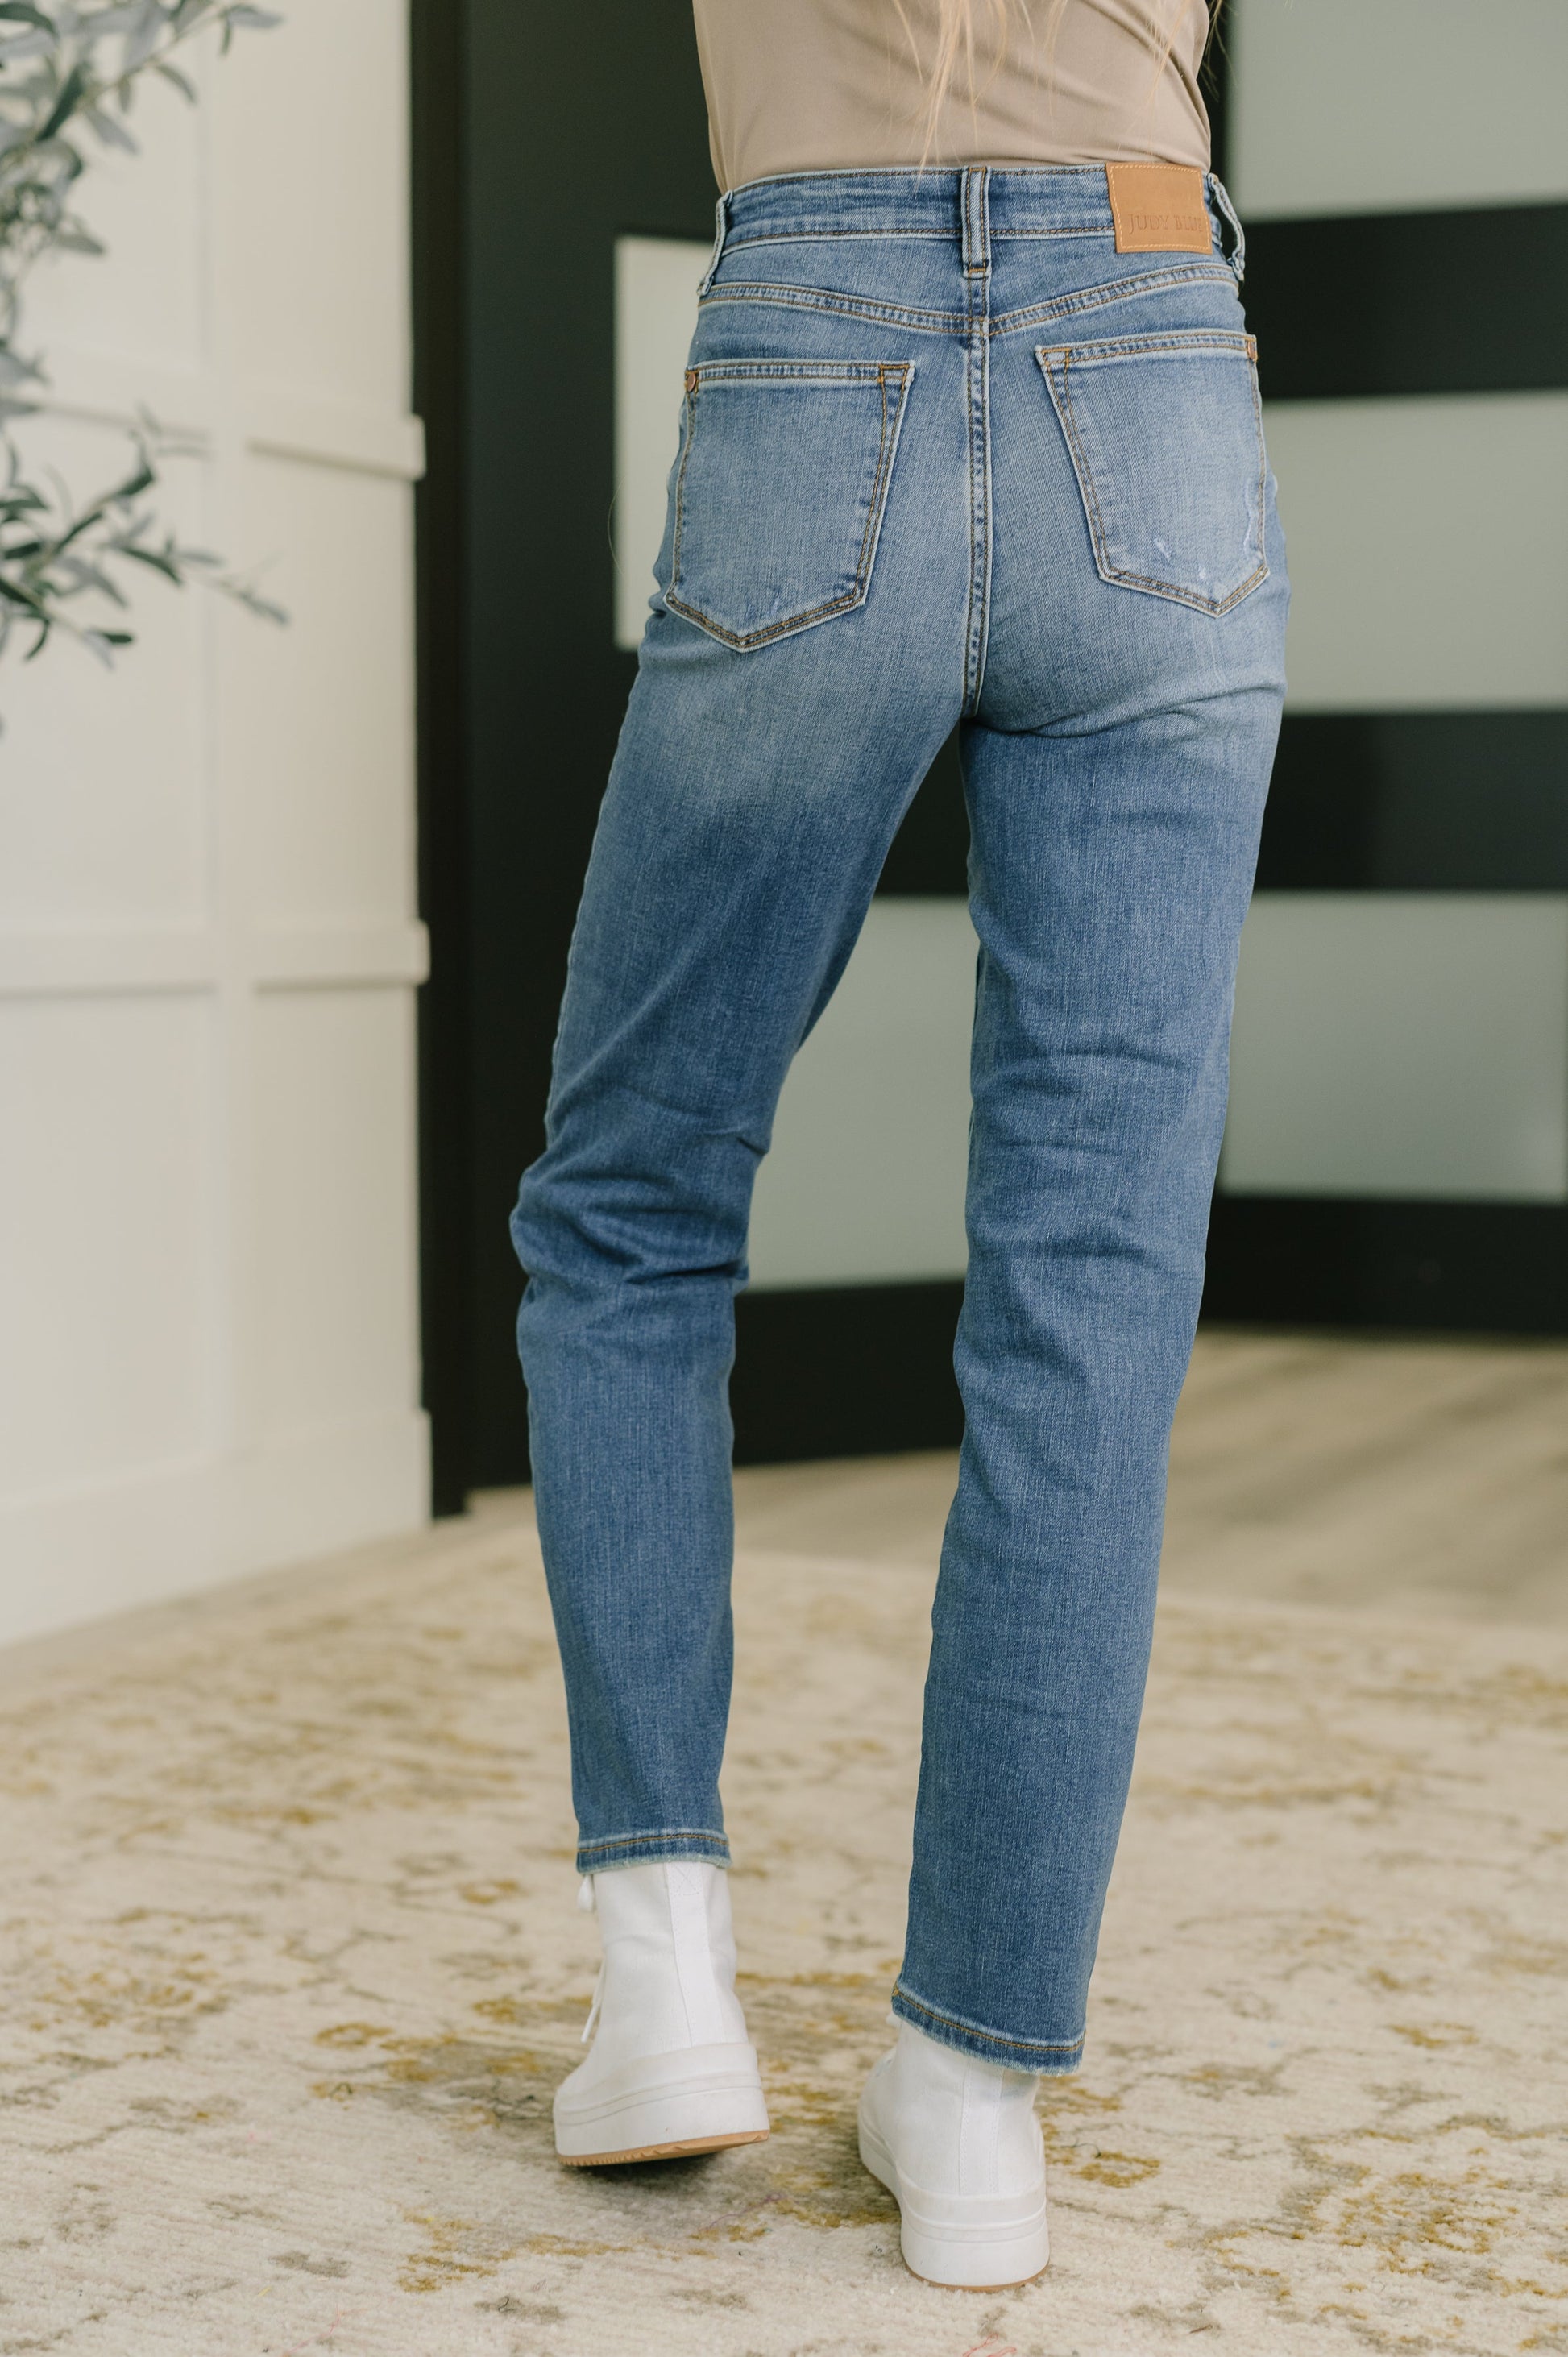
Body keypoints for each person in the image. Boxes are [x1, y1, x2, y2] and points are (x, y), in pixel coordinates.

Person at [512, 0, 1287, 2291]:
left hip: (815, 333)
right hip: (1150, 338)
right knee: (1096, 1273)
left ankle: (663, 1973)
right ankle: (970, 2087)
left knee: (630, 1206)